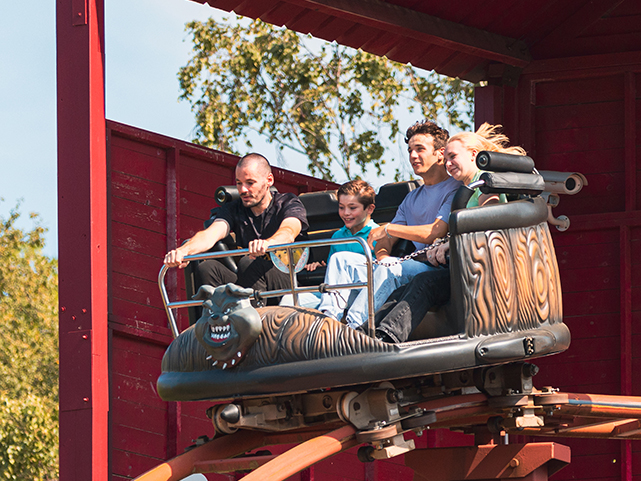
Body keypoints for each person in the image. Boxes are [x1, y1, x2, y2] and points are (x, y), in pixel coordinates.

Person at [375, 123, 527, 343]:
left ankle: (387, 337)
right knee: (407, 289)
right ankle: (365, 332)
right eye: (446, 159)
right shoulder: (465, 189)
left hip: (479, 272)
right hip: (460, 267)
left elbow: (488, 215)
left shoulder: (484, 183)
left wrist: (450, 243)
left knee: (424, 283)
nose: (448, 164)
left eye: (453, 157)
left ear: (473, 155)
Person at [317, 120, 461, 329]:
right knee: (342, 260)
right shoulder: (411, 198)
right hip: (410, 267)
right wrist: (383, 256)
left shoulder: (454, 188)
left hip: (438, 272)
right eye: (410, 150)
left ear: (440, 153)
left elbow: (433, 232)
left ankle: (354, 329)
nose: (412, 156)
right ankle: (329, 323)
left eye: (420, 149)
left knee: (388, 269)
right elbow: (386, 240)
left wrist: (388, 229)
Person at [163, 153, 308, 302]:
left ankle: (255, 320)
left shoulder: (288, 202)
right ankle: (217, 321)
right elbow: (211, 234)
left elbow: (289, 232)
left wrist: (268, 243)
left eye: (250, 183)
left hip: (288, 282)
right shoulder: (234, 208)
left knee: (249, 262)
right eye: (239, 183)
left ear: (269, 180)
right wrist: (182, 251)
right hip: (252, 280)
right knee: (208, 268)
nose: (243, 190)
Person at [280, 180, 378, 308]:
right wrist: (322, 266)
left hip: (362, 293)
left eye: (352, 208)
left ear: (370, 209)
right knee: (289, 300)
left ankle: (328, 321)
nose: (346, 213)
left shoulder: (377, 234)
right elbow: (333, 272)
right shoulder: (337, 236)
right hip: (332, 291)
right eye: (341, 207)